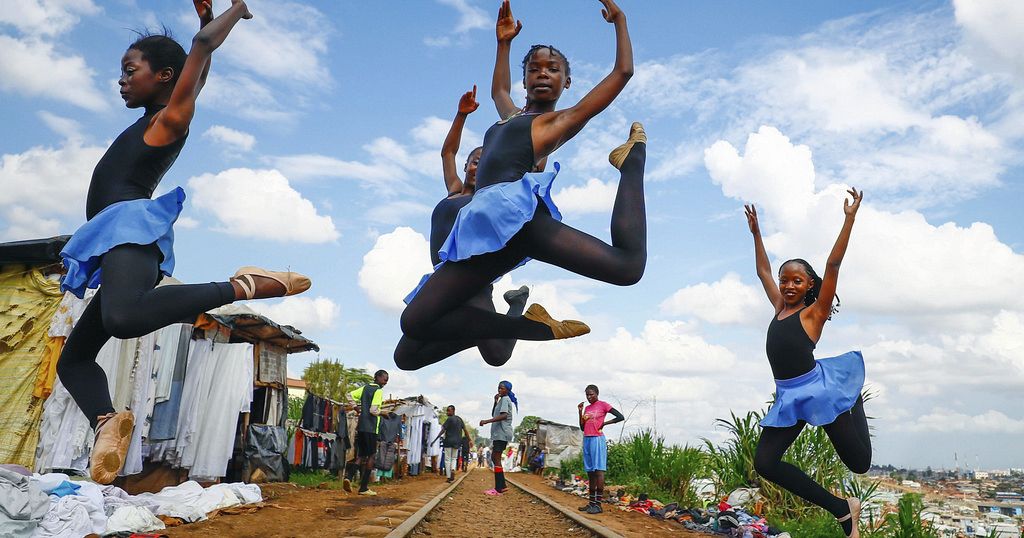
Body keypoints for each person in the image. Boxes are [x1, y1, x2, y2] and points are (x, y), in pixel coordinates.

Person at [56, 0, 311, 485]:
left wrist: (232, 12)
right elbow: (196, 66)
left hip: (130, 232)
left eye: (131, 70)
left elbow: (199, 52)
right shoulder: (154, 117)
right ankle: (107, 423)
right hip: (114, 239)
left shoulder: (168, 121)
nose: (122, 79)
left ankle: (240, 287)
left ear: (165, 76)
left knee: (124, 317)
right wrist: (200, 25)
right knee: (75, 359)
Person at [398, 0, 646, 361]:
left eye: (553, 69)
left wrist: (620, 22)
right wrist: (504, 43)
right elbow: (499, 90)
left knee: (627, 268)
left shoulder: (555, 124)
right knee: (412, 335)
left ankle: (632, 162)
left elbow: (622, 72)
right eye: (535, 69)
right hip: (487, 233)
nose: (543, 73)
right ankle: (535, 328)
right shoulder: (508, 116)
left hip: (515, 222)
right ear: (526, 78)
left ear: (566, 82)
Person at [744, 190, 870, 538]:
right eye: (785, 280)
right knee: (766, 463)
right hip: (789, 397)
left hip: (818, 393)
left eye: (796, 281)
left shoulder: (814, 313)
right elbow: (762, 271)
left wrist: (849, 219)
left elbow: (833, 264)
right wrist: (756, 233)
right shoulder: (779, 307)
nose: (787, 285)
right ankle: (842, 509)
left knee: (859, 463)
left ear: (809, 285)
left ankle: (852, 395)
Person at [394, 87, 530, 370]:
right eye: (474, 162)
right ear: (467, 165)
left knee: (497, 356)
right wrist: (460, 115)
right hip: (441, 280)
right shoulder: (454, 192)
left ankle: (516, 305)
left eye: (485, 163)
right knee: (405, 358)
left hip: (470, 282)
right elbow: (447, 152)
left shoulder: (488, 200)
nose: (477, 167)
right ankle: (479, 326)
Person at [577, 384, 624, 514]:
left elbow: (620, 417)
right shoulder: (587, 408)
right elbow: (582, 427)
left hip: (597, 439)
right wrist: (580, 411)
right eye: (587, 394)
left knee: (598, 471)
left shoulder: (603, 405)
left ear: (597, 394)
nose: (589, 397)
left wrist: (604, 423)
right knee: (590, 472)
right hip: (587, 438)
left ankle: (598, 504)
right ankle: (591, 503)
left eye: (591, 394)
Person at [344, 370, 390, 496]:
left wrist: (355, 407)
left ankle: (348, 477)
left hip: (361, 426)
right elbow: (373, 410)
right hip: (371, 427)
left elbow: (349, 395)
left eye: (387, 379)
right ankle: (363, 488)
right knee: (371, 456)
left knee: (361, 455)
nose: (386, 382)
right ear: (378, 378)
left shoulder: (365, 388)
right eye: (385, 379)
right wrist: (383, 413)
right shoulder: (378, 391)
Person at [479, 380, 517, 495]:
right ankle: (502, 486)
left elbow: (504, 415)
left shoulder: (505, 399)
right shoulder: (502, 400)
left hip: (502, 433)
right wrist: (495, 401)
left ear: (508, 390)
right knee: (495, 458)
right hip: (499, 434)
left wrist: (486, 421)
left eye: (502, 388)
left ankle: (498, 488)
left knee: (496, 458)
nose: (500, 390)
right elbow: (494, 414)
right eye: (499, 388)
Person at [431, 405, 474, 483]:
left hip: (448, 441)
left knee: (447, 459)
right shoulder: (460, 419)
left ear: (453, 411)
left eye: (448, 411)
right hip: (457, 442)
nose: (447, 412)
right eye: (447, 411)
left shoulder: (449, 419)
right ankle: (453, 470)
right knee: (454, 458)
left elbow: (443, 430)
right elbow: (465, 430)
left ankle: (448, 476)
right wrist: (470, 440)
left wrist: (435, 439)